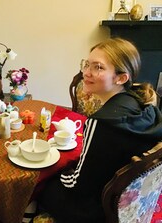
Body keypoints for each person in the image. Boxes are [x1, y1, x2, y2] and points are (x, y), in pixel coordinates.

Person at [37, 38, 162, 223]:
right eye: (87, 65)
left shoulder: (102, 123)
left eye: (98, 67)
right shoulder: (144, 105)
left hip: (98, 210)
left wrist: (56, 173)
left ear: (121, 78)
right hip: (130, 205)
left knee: (41, 186)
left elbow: (78, 185)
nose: (86, 73)